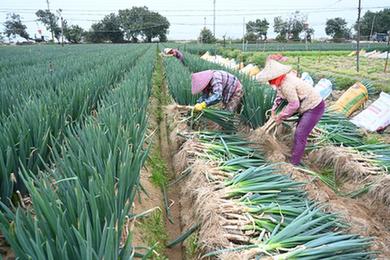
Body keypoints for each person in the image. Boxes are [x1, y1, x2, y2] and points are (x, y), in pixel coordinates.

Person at [256, 59, 325, 165]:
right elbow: (280, 98)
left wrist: (281, 116)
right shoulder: (281, 82)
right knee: (299, 133)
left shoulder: (286, 84)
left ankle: (294, 163)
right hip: (305, 106)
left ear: (275, 76)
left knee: (300, 134)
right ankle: (297, 155)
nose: (269, 81)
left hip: (314, 107)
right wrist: (274, 111)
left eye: (270, 79)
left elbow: (294, 104)